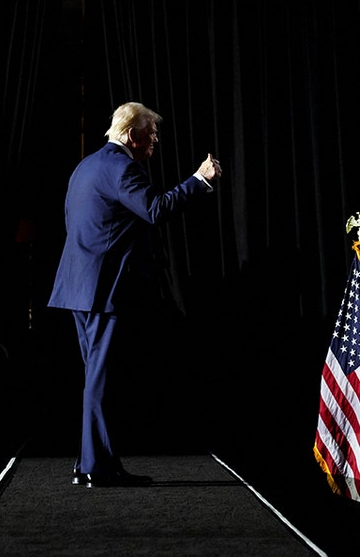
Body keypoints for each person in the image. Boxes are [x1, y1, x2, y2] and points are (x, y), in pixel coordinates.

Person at [47, 101, 221, 488]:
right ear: (131, 135)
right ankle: (96, 467)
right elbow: (155, 209)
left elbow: (72, 220)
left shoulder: (86, 166)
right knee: (100, 380)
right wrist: (199, 179)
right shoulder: (121, 167)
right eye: (152, 133)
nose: (156, 140)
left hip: (79, 286)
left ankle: (89, 463)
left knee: (96, 377)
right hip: (101, 290)